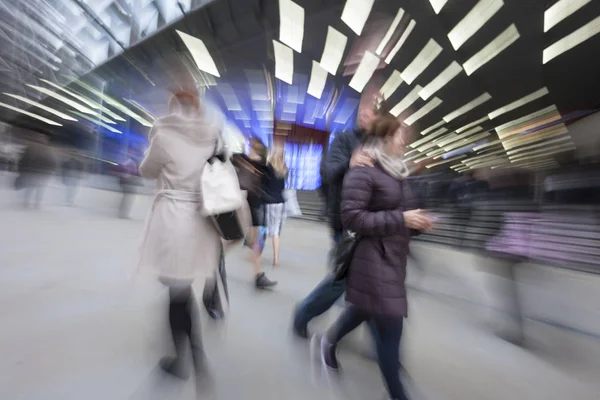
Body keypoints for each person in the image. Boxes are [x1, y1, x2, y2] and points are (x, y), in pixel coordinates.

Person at [318, 115, 434, 400]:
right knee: (391, 324)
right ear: (383, 138)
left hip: (394, 260)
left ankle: (328, 342)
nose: (404, 141)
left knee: (362, 311)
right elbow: (353, 218)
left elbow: (403, 215)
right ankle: (397, 394)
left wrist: (417, 223)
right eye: (399, 135)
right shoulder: (363, 170)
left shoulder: (398, 172)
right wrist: (401, 219)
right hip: (371, 259)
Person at [137, 90, 223, 381]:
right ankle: (195, 354)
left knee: (176, 293)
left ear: (174, 107)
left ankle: (182, 360)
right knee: (182, 290)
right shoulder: (213, 135)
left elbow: (146, 170)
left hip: (174, 220)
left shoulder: (164, 132)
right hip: (202, 220)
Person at [292, 84, 381, 338]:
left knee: (371, 285)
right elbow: (328, 173)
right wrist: (350, 163)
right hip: (347, 225)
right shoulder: (345, 140)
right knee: (344, 281)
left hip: (373, 226)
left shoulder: (382, 146)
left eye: (371, 111)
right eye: (362, 109)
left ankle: (384, 347)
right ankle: (304, 314)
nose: (364, 114)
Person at [17, 133, 58, 208]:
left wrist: (21, 170)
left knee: (31, 187)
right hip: (41, 172)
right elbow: (53, 162)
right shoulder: (48, 149)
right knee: (38, 188)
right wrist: (51, 171)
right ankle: (36, 203)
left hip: (34, 171)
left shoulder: (31, 147)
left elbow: (23, 159)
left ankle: (28, 201)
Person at [265, 149, 288, 267]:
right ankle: (276, 259)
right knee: (275, 232)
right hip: (280, 202)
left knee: (263, 228)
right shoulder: (283, 170)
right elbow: (282, 188)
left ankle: (256, 253)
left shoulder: (268, 169)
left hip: (269, 202)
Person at [117, 150, 139, 219]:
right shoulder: (127, 162)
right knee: (126, 197)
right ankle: (123, 213)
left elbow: (135, 173)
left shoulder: (131, 162)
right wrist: (126, 175)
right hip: (126, 182)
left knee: (127, 198)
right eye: (131, 153)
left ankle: (123, 213)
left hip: (128, 182)